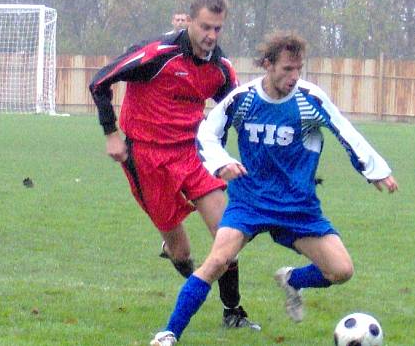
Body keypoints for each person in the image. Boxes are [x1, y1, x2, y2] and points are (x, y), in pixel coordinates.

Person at [150, 31, 399, 345]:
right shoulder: (244, 99)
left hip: (297, 206)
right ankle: (168, 333)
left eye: (298, 70)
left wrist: (375, 170)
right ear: (267, 65)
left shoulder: (310, 99)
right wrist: (220, 162)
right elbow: (207, 133)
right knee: (217, 261)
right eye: (287, 70)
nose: (294, 77)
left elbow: (345, 131)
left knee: (341, 271)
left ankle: (293, 279)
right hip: (249, 202)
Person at [90, 0, 259, 331]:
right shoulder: (157, 54)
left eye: (218, 29)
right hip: (147, 158)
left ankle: (233, 312)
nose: (211, 35)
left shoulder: (220, 70)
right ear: (190, 21)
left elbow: (236, 112)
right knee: (182, 252)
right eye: (205, 27)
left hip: (191, 154)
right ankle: (175, 253)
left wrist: (225, 156)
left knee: (229, 233)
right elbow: (100, 81)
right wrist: (111, 133)